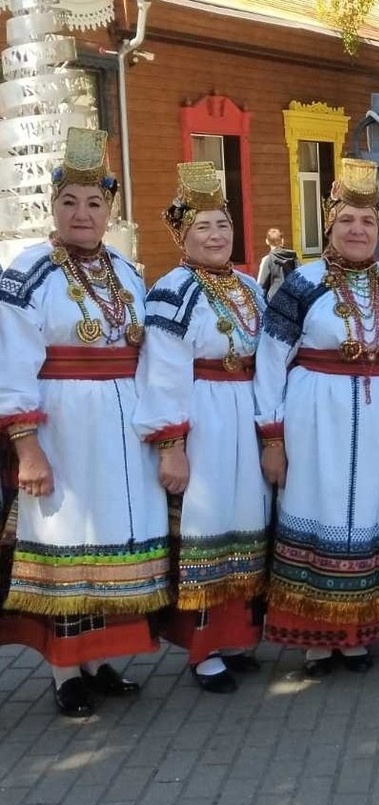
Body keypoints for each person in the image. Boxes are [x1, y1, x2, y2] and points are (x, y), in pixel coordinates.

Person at [0, 127, 169, 717]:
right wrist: (27, 448)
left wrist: (159, 435)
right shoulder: (27, 273)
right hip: (63, 428)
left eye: (94, 202)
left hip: (122, 432)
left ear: (109, 210)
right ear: (53, 207)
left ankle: (100, 660)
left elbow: (149, 356)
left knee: (111, 543)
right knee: (66, 542)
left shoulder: (126, 271)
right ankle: (64, 669)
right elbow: (11, 365)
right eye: (69, 201)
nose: (82, 213)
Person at [254, 158, 379, 677]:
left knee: (373, 513)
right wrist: (273, 436)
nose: (357, 229)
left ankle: (356, 636)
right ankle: (315, 638)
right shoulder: (301, 284)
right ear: (330, 224)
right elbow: (269, 363)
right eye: (348, 220)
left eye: (368, 221)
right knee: (320, 508)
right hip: (316, 418)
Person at [134, 161, 269, 693]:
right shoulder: (173, 291)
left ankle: (235, 635)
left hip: (243, 413)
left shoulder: (249, 288)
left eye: (223, 225)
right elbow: (163, 373)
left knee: (245, 523)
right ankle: (200, 649)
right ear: (182, 236)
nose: (216, 236)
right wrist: (172, 445)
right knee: (205, 528)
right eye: (203, 228)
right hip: (205, 417)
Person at [257, 227, 297, 301]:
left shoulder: (267, 259)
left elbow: (260, 285)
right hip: (291, 298)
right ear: (282, 240)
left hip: (274, 300)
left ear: (267, 241)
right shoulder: (293, 257)